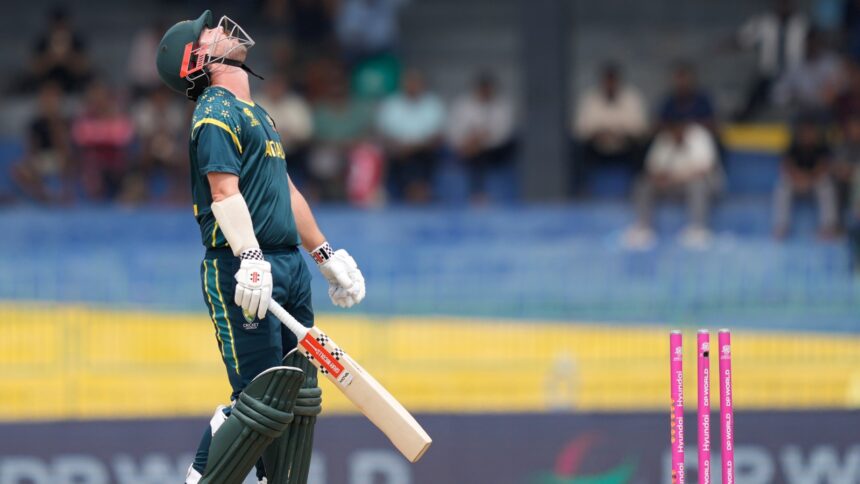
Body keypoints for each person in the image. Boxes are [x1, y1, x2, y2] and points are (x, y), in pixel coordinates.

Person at [155, 11, 366, 484]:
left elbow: (286, 193)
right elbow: (223, 192)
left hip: (288, 266)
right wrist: (250, 258)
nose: (224, 29)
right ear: (197, 58)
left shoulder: (259, 114)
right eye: (211, 31)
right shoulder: (214, 111)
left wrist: (326, 257)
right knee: (259, 396)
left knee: (294, 397)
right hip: (242, 265)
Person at [625, 116, 721, 249]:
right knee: (643, 183)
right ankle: (643, 229)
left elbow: (704, 170)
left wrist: (676, 177)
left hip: (702, 185)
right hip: (672, 184)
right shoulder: (664, 138)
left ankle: (697, 230)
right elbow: (651, 169)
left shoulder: (699, 135)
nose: (676, 132)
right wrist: (661, 178)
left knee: (698, 185)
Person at [572, 62, 648, 193]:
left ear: (618, 81)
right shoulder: (590, 98)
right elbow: (579, 129)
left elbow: (640, 128)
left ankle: (637, 190)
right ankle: (581, 189)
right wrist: (599, 133)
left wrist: (618, 132)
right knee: (576, 150)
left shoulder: (632, 97)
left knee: (642, 148)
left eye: (613, 80)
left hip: (624, 146)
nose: (610, 84)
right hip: (597, 146)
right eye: (607, 80)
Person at [732, 0, 809, 120]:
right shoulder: (763, 21)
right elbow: (742, 40)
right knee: (753, 101)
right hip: (768, 73)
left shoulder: (802, 23)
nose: (784, 6)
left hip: (794, 74)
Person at [377, 69, 446, 203]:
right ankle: (410, 194)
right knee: (398, 158)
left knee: (424, 157)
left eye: (416, 82)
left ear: (423, 84)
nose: (413, 86)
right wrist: (400, 147)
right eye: (409, 82)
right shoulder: (391, 104)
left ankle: (419, 192)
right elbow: (384, 134)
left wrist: (414, 147)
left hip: (425, 150)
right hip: (397, 150)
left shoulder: (433, 104)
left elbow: (437, 136)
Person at [447, 72, 517, 203]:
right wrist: (467, 143)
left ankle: (479, 196)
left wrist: (479, 142)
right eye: (482, 89)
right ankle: (477, 197)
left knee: (480, 156)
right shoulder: (462, 105)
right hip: (465, 149)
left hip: (495, 151)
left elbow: (503, 135)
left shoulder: (502, 106)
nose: (485, 93)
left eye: (488, 89)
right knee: (472, 156)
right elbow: (453, 132)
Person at [773, 115, 838, 239]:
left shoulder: (822, 146)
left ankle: (828, 227)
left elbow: (824, 167)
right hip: (797, 183)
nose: (808, 135)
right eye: (805, 131)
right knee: (782, 186)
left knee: (826, 185)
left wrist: (809, 179)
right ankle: (781, 226)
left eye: (811, 131)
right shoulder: (793, 145)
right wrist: (799, 178)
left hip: (814, 182)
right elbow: (786, 166)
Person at [11, 82, 73, 203]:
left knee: (65, 161)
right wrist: (31, 163)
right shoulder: (35, 124)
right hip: (41, 158)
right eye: (45, 99)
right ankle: (44, 195)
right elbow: (31, 149)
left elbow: (66, 148)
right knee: (18, 170)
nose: (48, 103)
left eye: (52, 100)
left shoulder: (64, 121)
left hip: (60, 156)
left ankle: (65, 195)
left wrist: (54, 124)